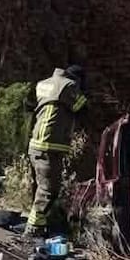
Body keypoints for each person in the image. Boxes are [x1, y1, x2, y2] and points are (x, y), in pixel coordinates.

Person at [25, 66, 87, 237]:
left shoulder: (45, 84)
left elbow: (28, 105)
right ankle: (33, 229)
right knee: (48, 189)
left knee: (39, 187)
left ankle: (40, 223)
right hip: (50, 145)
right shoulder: (69, 86)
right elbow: (82, 108)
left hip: (36, 142)